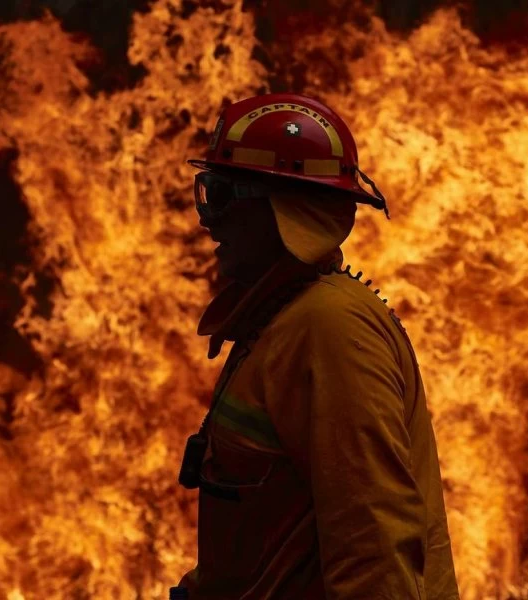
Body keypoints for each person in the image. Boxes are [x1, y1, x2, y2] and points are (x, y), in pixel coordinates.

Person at [172, 93, 459, 599]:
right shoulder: (281, 320)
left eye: (219, 195)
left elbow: (375, 553)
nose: (207, 220)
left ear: (283, 209)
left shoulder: (331, 331)